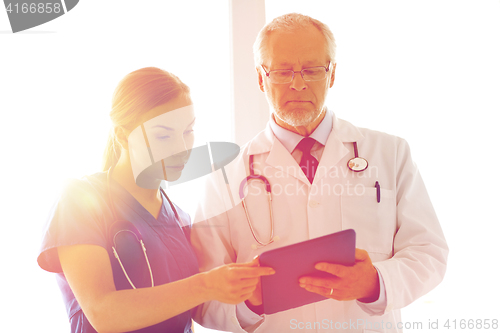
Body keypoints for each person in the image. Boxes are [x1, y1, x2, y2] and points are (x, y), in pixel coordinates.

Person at [191, 13, 449, 332]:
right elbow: (203, 299)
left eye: (312, 70)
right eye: (283, 71)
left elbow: (429, 253)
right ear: (261, 78)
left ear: (332, 74)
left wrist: (376, 283)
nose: (298, 83)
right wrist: (251, 301)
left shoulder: (390, 153)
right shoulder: (224, 177)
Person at [37, 67, 275, 333]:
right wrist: (206, 284)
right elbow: (103, 314)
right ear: (122, 135)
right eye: (163, 135)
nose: (182, 148)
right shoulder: (80, 201)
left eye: (188, 131)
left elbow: (185, 317)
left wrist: (249, 296)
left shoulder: (181, 218)